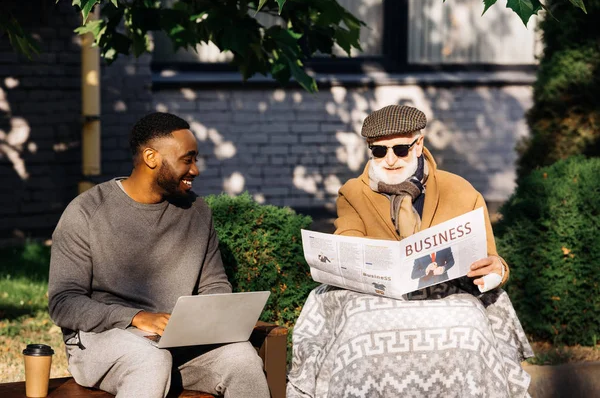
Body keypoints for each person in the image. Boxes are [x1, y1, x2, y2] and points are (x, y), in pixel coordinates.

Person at [287, 105, 533, 398]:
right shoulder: (353, 192)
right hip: (376, 298)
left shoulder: (460, 190)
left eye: (401, 149)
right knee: (358, 329)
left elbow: (490, 259)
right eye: (379, 152)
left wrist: (495, 270)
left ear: (419, 145)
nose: (390, 160)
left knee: (470, 325)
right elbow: (348, 244)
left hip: (447, 295)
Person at [48, 112, 270, 398]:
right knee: (150, 360)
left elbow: (214, 285)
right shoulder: (87, 212)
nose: (195, 170)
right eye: (187, 159)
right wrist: (137, 317)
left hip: (179, 343)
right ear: (151, 158)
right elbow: (63, 303)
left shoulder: (197, 212)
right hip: (103, 341)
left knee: (243, 360)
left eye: (196, 159)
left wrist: (211, 318)